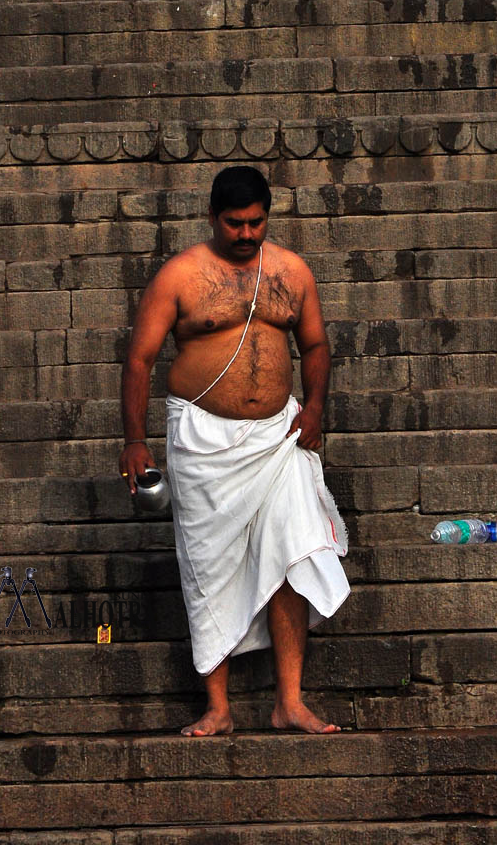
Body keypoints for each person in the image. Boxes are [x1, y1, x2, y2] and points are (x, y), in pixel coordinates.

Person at [119, 165, 350, 737]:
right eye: (234, 224)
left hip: (279, 436)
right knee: (208, 566)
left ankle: (288, 703)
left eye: (255, 223)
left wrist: (315, 408)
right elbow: (139, 360)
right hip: (203, 439)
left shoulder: (292, 272)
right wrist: (133, 439)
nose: (246, 234)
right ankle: (219, 708)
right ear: (213, 218)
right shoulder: (181, 276)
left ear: (267, 216)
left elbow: (316, 344)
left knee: (295, 553)